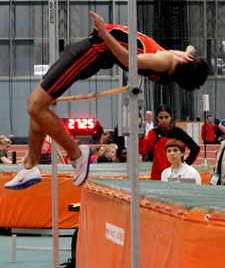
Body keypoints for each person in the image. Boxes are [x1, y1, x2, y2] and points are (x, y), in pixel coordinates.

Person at [5, 11, 208, 191]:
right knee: (37, 105)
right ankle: (30, 167)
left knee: (34, 106)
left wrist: (105, 35)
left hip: (91, 53)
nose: (186, 53)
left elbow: (130, 61)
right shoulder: (177, 61)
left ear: (186, 63)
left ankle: (77, 155)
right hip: (87, 48)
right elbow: (187, 53)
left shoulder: (165, 61)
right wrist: (189, 51)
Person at [139, 105, 200, 181]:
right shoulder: (153, 133)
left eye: (166, 117)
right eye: (161, 118)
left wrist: (186, 164)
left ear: (171, 117)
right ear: (157, 118)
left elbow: (195, 148)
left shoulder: (178, 132)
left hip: (177, 176)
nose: (164, 120)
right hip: (158, 176)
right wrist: (139, 134)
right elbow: (142, 149)